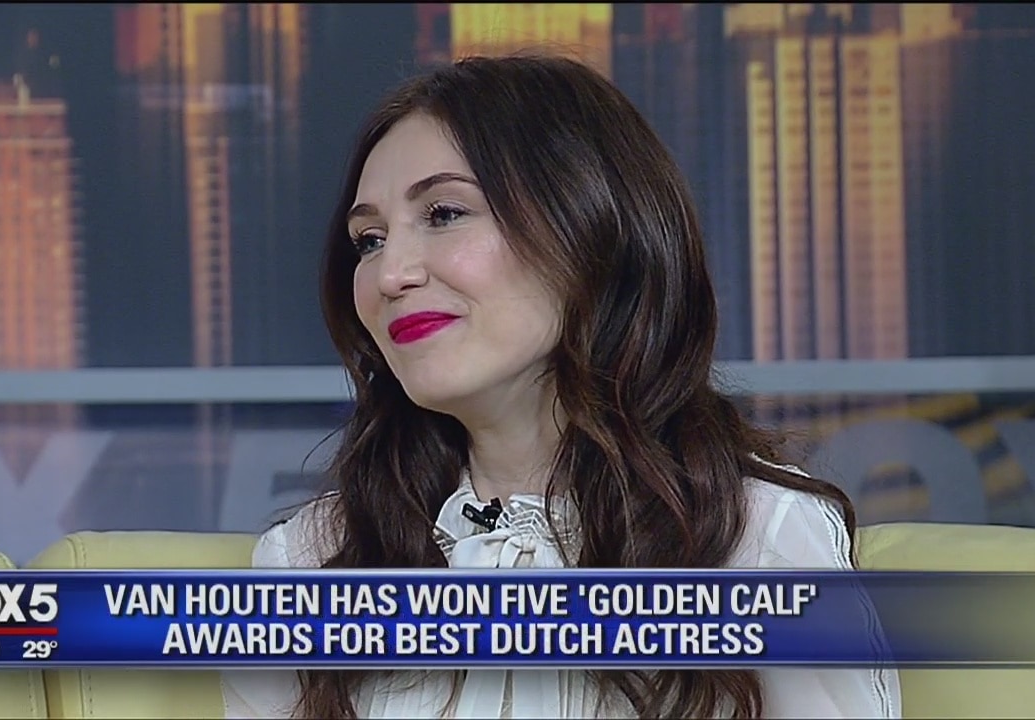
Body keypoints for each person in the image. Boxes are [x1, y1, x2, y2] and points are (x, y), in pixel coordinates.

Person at [221, 54, 901, 719]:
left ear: (591, 225)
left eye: (444, 213)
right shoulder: (307, 562)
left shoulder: (758, 538)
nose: (390, 273)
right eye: (369, 239)